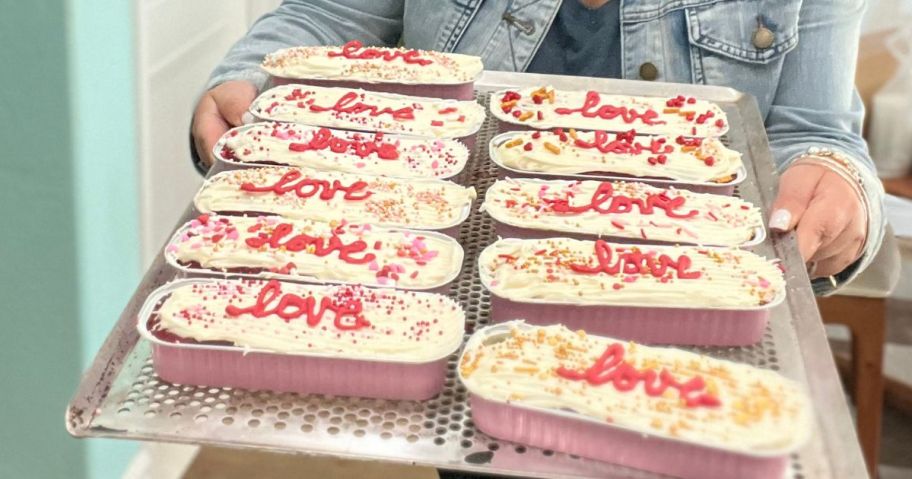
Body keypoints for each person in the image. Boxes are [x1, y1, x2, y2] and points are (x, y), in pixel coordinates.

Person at [191, 0, 885, 296]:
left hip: (689, 315)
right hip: (470, 295)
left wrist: (838, 184)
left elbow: (814, 132)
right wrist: (248, 78)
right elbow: (328, 15)